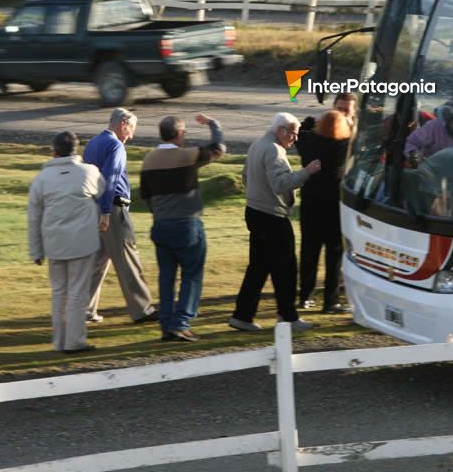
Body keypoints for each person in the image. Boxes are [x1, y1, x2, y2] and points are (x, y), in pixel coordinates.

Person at [228, 113, 321, 333]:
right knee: (286, 268)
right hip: (272, 216)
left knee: (258, 268)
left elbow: (245, 176)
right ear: (282, 130)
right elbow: (281, 184)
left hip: (255, 211)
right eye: (294, 133)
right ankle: (288, 317)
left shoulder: (258, 144)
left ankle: (242, 316)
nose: (296, 139)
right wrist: (307, 172)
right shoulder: (274, 150)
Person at [140, 113, 225, 342]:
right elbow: (219, 148)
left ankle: (166, 325)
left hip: (160, 226)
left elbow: (146, 196)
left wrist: (161, 213)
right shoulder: (189, 155)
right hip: (187, 224)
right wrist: (212, 124)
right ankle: (181, 322)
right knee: (191, 275)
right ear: (178, 135)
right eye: (184, 132)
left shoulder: (148, 160)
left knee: (166, 278)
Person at [28, 131, 105, 354]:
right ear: (76, 150)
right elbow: (102, 190)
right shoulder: (89, 172)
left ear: (54, 151)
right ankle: (74, 341)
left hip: (54, 243)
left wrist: (35, 249)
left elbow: (34, 217)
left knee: (59, 292)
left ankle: (59, 341)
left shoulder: (42, 179)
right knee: (78, 293)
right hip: (83, 242)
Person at [84, 108, 158, 324]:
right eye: (132, 129)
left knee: (96, 263)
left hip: (94, 207)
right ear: (124, 123)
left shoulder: (92, 143)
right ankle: (142, 310)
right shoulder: (116, 145)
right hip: (112, 209)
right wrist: (106, 212)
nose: (132, 136)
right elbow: (111, 178)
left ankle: (83, 310)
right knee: (128, 260)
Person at [294, 109, 352, 313]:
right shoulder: (344, 146)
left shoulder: (308, 142)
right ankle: (331, 300)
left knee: (309, 250)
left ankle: (305, 296)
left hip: (310, 202)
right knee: (334, 253)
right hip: (334, 204)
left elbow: (301, 130)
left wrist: (310, 120)